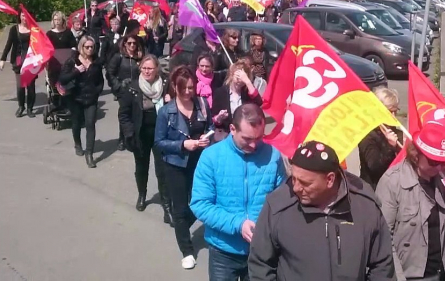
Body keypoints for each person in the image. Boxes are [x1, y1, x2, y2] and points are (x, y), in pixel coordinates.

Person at [248, 141, 395, 280]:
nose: (296, 188)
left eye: (305, 183)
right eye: (294, 179)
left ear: (330, 179)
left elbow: (382, 266)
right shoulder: (277, 206)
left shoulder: (364, 206)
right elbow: (260, 265)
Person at [191, 104, 286, 281]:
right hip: (223, 253)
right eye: (248, 138)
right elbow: (200, 204)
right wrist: (238, 224)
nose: (254, 145)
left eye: (259, 138)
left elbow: (283, 201)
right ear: (232, 129)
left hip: (262, 252)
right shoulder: (211, 157)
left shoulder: (273, 156)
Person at [376, 121, 445, 281]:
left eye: (444, 162)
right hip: (411, 274)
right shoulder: (392, 182)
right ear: (416, 155)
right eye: (434, 162)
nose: (439, 168)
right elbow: (384, 238)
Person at [154, 65, 214, 269]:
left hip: (200, 162)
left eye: (191, 87)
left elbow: (210, 127)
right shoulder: (166, 112)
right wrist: (182, 145)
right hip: (176, 165)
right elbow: (159, 142)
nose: (189, 92)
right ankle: (187, 250)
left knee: (202, 202)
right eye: (184, 88)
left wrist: (207, 137)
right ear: (175, 87)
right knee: (179, 208)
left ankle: (181, 228)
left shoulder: (202, 104)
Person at [118, 55, 173, 225]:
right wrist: (129, 134)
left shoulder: (165, 85)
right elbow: (124, 114)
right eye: (144, 68)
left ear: (157, 68)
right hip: (141, 134)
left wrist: (170, 102)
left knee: (162, 170)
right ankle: (142, 195)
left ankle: (166, 205)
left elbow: (177, 105)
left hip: (161, 133)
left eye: (150, 68)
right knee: (141, 167)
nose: (147, 71)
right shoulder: (133, 87)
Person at [58, 35, 104, 168]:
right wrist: (76, 71)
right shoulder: (72, 61)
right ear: (81, 47)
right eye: (87, 47)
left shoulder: (96, 62)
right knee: (77, 122)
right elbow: (62, 79)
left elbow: (100, 80)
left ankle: (89, 154)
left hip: (91, 98)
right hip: (75, 98)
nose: (90, 49)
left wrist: (97, 91)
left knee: (90, 124)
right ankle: (78, 144)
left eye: (92, 47)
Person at [358, 87, 402, 189]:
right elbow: (375, 167)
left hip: (394, 188)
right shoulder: (368, 135)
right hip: (375, 189)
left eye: (395, 111)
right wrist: (390, 147)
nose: (393, 116)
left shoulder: (395, 130)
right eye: (389, 112)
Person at [211, 61, 263, 139]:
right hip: (226, 132)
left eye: (242, 78)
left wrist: (248, 82)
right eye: (238, 77)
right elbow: (214, 119)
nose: (240, 80)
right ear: (232, 75)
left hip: (244, 132)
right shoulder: (220, 92)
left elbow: (259, 102)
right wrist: (219, 117)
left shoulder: (246, 93)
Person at [0, 11, 37, 118]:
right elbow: (8, 45)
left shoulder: (34, 29)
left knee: (31, 86)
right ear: (20, 16)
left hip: (31, 60)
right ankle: (21, 107)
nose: (25, 17)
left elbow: (40, 44)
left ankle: (30, 108)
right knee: (20, 86)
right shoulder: (14, 29)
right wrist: (2, 59)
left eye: (26, 15)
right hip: (19, 60)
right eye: (23, 15)